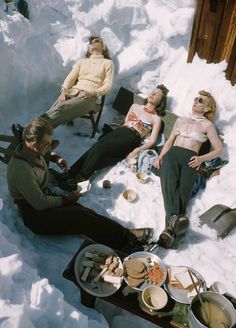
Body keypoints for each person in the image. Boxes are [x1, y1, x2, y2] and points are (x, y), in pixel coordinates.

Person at [7, 117, 154, 251]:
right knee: (80, 217)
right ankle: (126, 244)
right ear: (33, 144)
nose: (49, 147)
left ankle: (126, 234)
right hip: (36, 216)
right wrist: (67, 199)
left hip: (44, 198)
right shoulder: (21, 170)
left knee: (83, 211)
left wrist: (55, 158)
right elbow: (40, 203)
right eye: (47, 144)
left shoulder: (29, 148)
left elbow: (43, 153)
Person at [51, 84, 169, 191]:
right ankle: (69, 173)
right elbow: (125, 122)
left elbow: (153, 140)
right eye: (153, 91)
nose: (153, 94)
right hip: (121, 131)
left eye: (157, 94)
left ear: (161, 102)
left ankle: (80, 179)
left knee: (101, 150)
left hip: (133, 136)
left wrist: (137, 149)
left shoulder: (156, 119)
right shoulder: (135, 106)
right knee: (95, 147)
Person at [152, 90, 223, 248]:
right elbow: (169, 142)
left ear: (207, 109)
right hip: (172, 156)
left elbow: (219, 150)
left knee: (182, 196)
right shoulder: (180, 120)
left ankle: (169, 233)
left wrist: (201, 159)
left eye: (200, 100)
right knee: (169, 188)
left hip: (191, 160)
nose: (196, 101)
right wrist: (159, 157)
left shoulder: (207, 125)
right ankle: (172, 232)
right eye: (196, 98)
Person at [42, 36, 115, 128]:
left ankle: (32, 130)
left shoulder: (108, 63)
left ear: (103, 48)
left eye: (98, 41)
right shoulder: (82, 62)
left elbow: (107, 86)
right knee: (56, 107)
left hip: (89, 96)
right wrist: (63, 91)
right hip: (73, 92)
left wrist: (91, 93)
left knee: (61, 108)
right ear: (89, 49)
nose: (95, 42)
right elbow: (70, 78)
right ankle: (35, 132)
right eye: (92, 42)